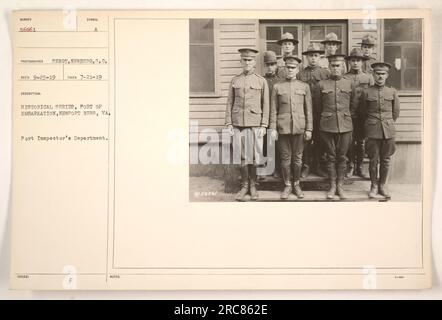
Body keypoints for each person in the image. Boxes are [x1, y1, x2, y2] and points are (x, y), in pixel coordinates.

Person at [225, 48, 270, 201]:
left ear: (254, 62)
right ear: (240, 61)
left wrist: (264, 125)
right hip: (238, 124)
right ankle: (244, 185)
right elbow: (229, 102)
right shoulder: (235, 80)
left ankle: (253, 185)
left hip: (255, 124)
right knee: (242, 156)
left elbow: (266, 104)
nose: (247, 62)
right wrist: (229, 123)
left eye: (250, 60)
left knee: (256, 156)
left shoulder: (261, 81)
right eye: (244, 60)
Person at [269, 55, 313, 199]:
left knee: (298, 158)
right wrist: (273, 128)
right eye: (288, 67)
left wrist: (309, 129)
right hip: (282, 128)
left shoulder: (304, 86)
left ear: (297, 69)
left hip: (299, 127)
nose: (290, 70)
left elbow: (308, 110)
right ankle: (287, 185)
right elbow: (273, 110)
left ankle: (297, 184)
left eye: (293, 68)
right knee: (285, 158)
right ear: (284, 68)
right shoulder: (277, 87)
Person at [316, 54, 357, 200]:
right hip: (327, 126)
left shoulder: (350, 83)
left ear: (343, 67)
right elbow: (318, 107)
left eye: (338, 65)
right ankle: (332, 186)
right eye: (333, 66)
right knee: (331, 157)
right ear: (329, 67)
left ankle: (340, 186)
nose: (335, 68)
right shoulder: (322, 84)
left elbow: (354, 105)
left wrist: (345, 116)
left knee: (342, 156)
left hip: (345, 125)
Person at [358, 62, 400, 199]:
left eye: (383, 74)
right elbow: (362, 112)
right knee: (373, 160)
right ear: (373, 75)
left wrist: (387, 123)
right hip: (372, 130)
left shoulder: (392, 92)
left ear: (387, 75)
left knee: (386, 159)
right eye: (377, 74)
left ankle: (383, 185)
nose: (380, 76)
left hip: (388, 130)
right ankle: (374, 186)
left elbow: (395, 113)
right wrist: (371, 124)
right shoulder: (366, 92)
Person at [297, 42, 330, 178]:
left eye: (316, 55)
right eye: (310, 56)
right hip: (304, 113)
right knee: (305, 141)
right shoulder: (300, 74)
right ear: (307, 57)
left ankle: (317, 166)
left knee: (319, 140)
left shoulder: (325, 73)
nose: (313, 58)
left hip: (320, 112)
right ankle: (306, 166)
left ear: (320, 57)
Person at [343, 48, 374, 178]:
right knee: (349, 141)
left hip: (362, 116)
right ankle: (350, 165)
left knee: (360, 142)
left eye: (358, 61)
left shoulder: (368, 77)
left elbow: (372, 96)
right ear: (349, 62)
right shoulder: (345, 77)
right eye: (353, 60)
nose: (355, 63)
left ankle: (360, 167)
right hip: (348, 115)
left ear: (362, 62)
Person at [262, 51, 282, 178]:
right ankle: (266, 167)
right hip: (264, 115)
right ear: (265, 66)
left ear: (276, 66)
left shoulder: (281, 81)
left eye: (273, 64)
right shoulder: (261, 80)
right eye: (268, 64)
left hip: (278, 115)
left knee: (278, 142)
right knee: (265, 142)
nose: (270, 67)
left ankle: (278, 168)